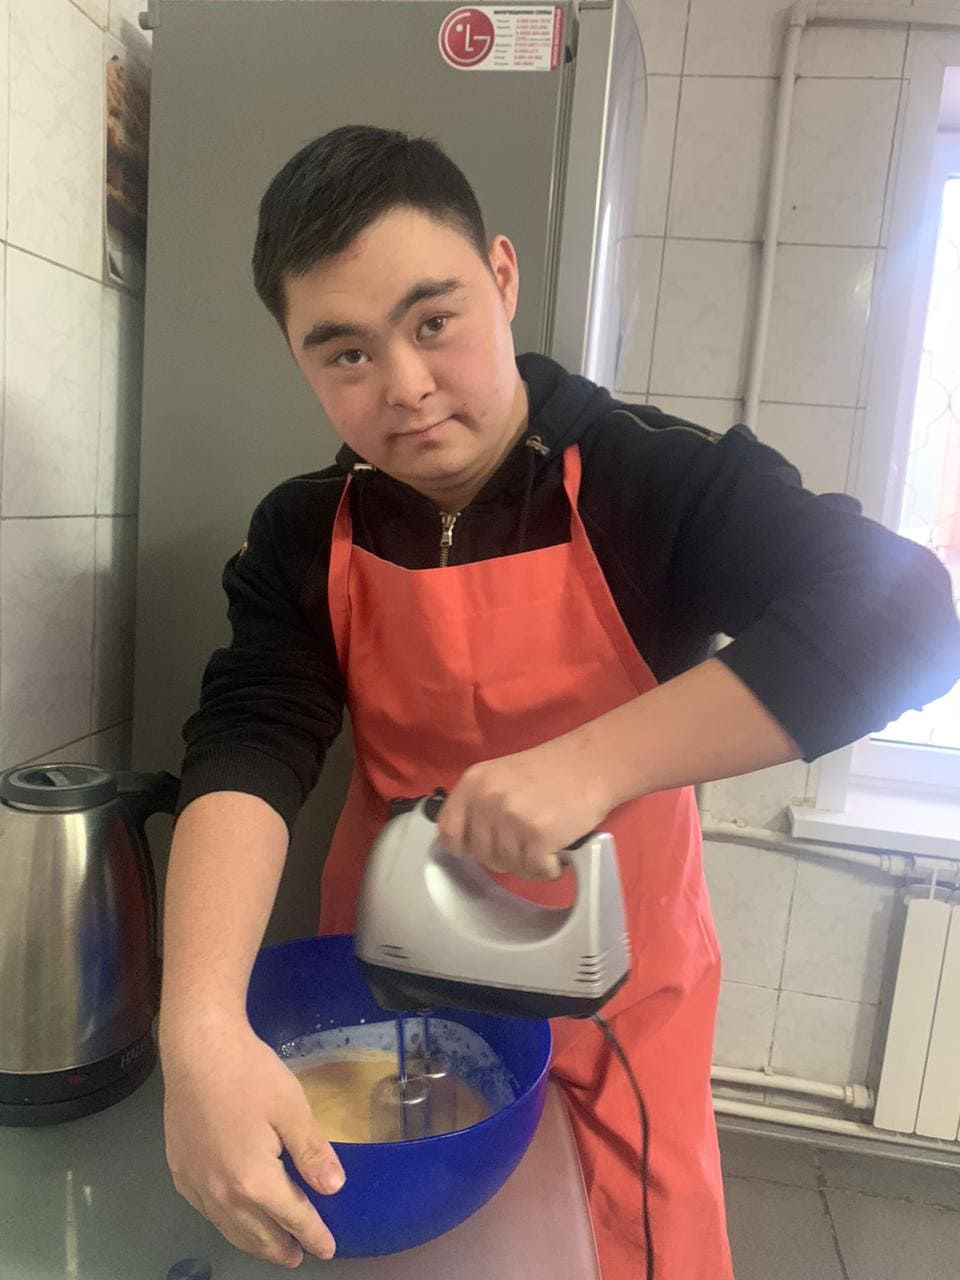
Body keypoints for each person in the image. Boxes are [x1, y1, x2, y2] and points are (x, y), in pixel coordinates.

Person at [159, 125, 960, 1279]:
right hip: (393, 980)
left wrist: (587, 764)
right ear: (297, 356)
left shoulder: (649, 478)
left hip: (617, 1000)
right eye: (346, 354)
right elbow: (248, 739)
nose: (406, 388)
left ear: (501, 276)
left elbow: (909, 614)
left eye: (434, 321)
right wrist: (196, 1026)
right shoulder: (302, 531)